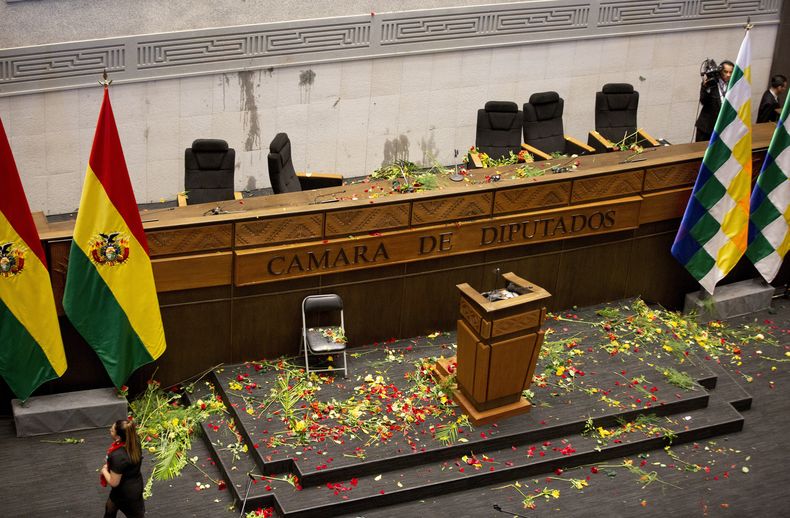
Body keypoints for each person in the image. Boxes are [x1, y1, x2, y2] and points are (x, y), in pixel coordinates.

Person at [101, 419, 145, 517]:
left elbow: (113, 482)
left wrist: (104, 470)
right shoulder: (135, 441)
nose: (109, 430)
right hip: (134, 484)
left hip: (126, 493)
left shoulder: (118, 456)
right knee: (110, 508)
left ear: (118, 437)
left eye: (112, 430)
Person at [695, 60, 734, 142]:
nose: (728, 75)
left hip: (722, 128)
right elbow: (703, 101)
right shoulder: (711, 83)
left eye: (731, 72)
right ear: (720, 71)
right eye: (725, 72)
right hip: (706, 128)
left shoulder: (733, 85)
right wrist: (706, 87)